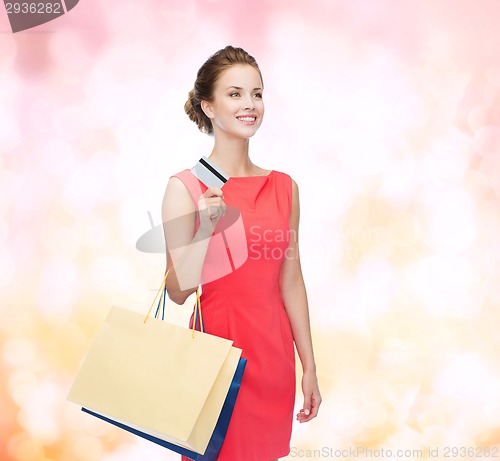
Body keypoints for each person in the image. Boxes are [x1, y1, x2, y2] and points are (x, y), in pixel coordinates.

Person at [162, 45, 321, 461]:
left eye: (257, 93)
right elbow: (177, 292)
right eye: (235, 94)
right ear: (208, 106)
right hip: (214, 367)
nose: (250, 104)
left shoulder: (285, 187)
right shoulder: (185, 188)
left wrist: (310, 367)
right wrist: (205, 227)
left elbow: (291, 281)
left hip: (273, 365)